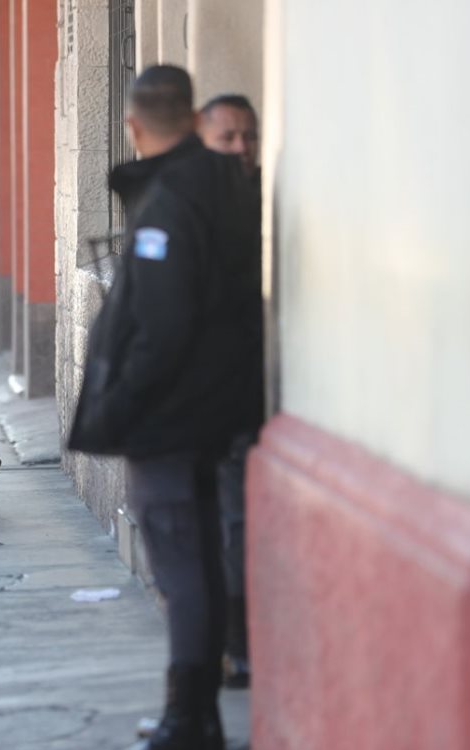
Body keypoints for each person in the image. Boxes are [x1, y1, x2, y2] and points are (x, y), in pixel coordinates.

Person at [67, 65, 262, 750]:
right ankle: (197, 717)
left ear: (134, 126)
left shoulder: (172, 199)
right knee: (199, 565)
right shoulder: (226, 185)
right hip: (212, 410)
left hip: (175, 421)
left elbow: (164, 324)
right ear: (190, 114)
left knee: (181, 570)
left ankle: (189, 724)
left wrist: (116, 408)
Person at [198, 92, 261, 691]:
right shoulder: (186, 207)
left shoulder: (265, 202)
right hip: (202, 400)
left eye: (250, 137)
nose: (242, 149)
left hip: (251, 394)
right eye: (228, 138)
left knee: (235, 522)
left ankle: (239, 645)